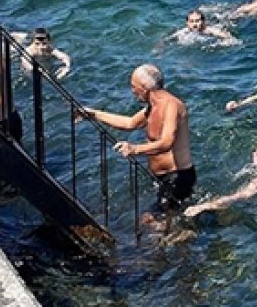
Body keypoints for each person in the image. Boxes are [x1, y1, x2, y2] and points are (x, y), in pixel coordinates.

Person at [79, 64, 196, 211]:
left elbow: (167, 142)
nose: (132, 91)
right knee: (163, 220)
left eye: (133, 86)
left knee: (157, 224)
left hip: (177, 177)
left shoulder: (171, 105)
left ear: (144, 87)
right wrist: (94, 114)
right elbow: (129, 123)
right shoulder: (152, 106)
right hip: (161, 178)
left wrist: (135, 149)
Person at [168, 9, 235, 44]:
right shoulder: (184, 31)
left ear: (203, 21)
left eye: (197, 21)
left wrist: (225, 42)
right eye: (191, 21)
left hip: (218, 23)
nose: (194, 24)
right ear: (187, 23)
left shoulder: (210, 30)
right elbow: (167, 40)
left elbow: (228, 37)